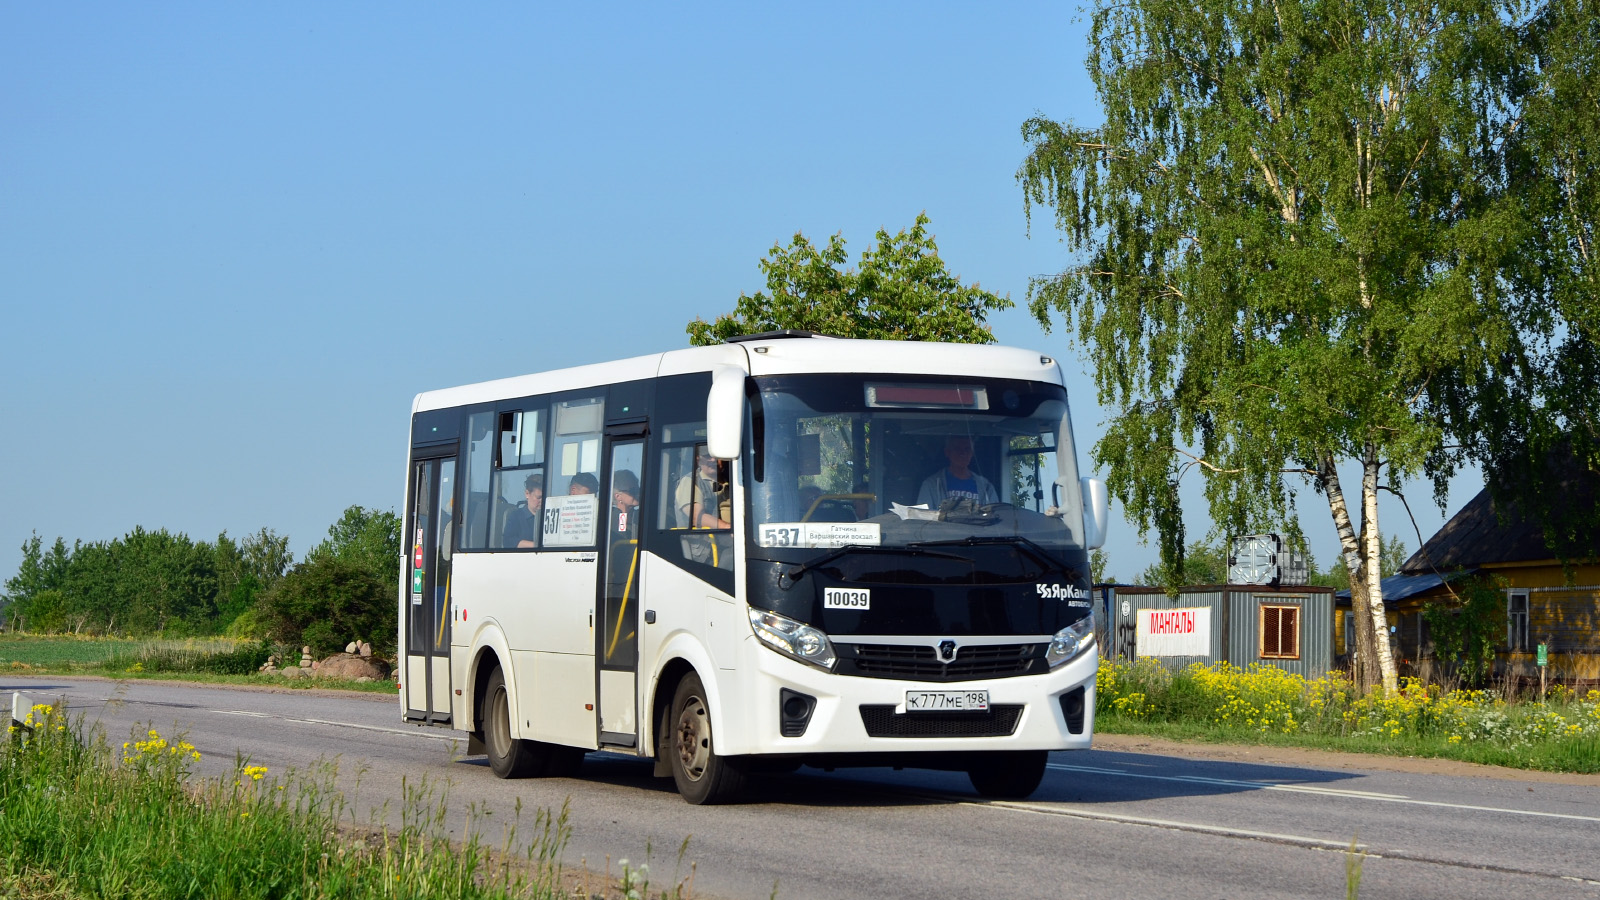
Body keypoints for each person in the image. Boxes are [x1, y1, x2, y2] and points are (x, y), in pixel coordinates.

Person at [916, 436, 999, 507]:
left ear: (972, 453)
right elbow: (922, 519)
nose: (963, 453)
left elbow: (995, 517)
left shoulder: (986, 487)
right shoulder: (930, 485)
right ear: (947, 452)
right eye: (957, 449)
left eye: (967, 449)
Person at [676, 447, 730, 529]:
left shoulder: (735, 480)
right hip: (707, 540)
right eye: (708, 456)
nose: (713, 460)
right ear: (698, 460)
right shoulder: (691, 481)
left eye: (716, 455)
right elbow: (697, 518)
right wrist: (729, 528)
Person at [502, 472, 544, 549]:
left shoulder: (550, 518)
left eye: (544, 497)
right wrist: (536, 546)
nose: (542, 501)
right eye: (539, 497)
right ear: (527, 494)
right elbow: (508, 541)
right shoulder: (515, 517)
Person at [611, 469, 640, 541]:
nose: (638, 493)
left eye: (638, 489)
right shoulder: (611, 518)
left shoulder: (642, 517)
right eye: (633, 491)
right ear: (618, 496)